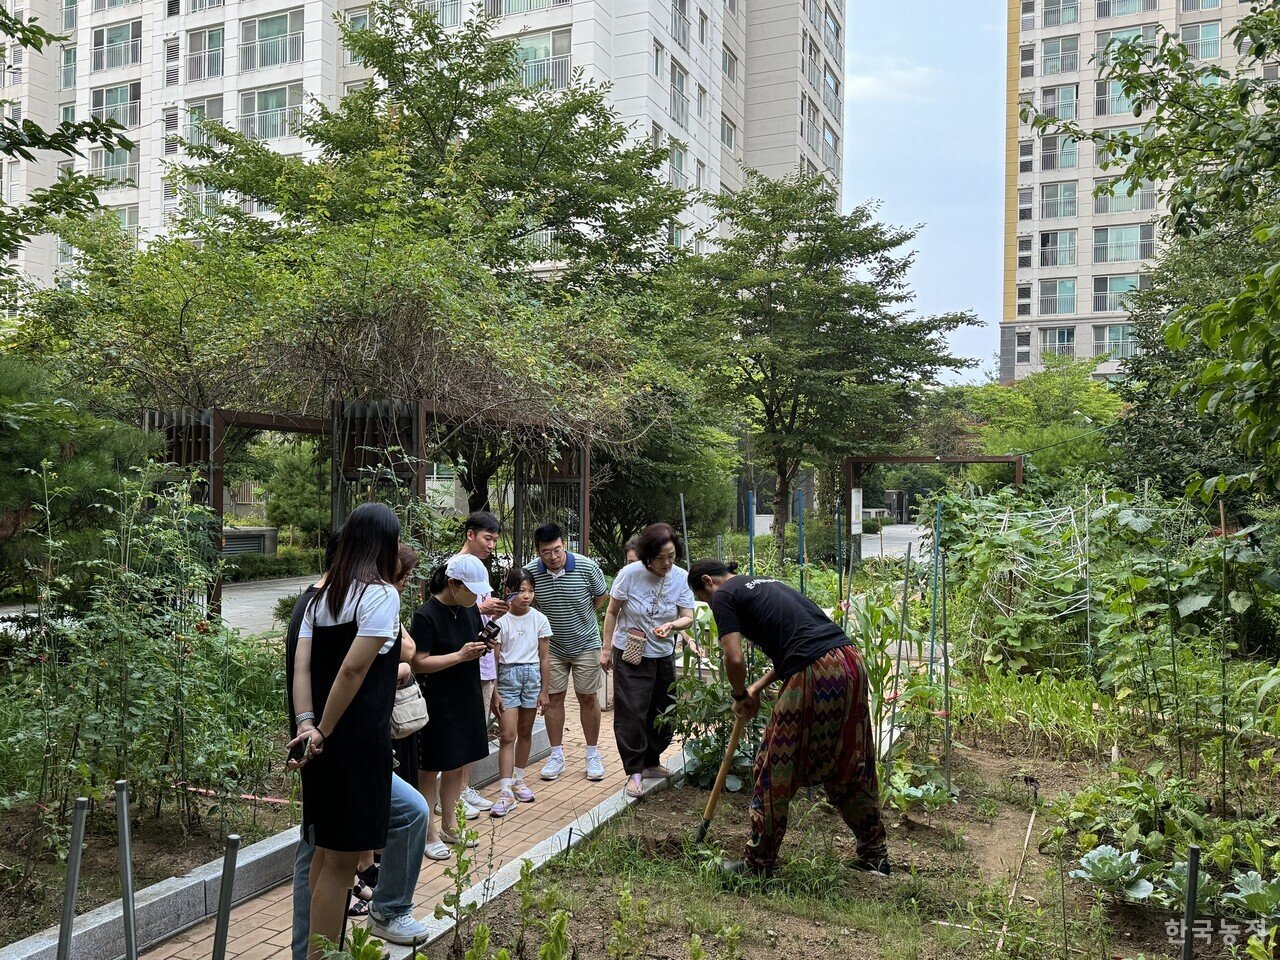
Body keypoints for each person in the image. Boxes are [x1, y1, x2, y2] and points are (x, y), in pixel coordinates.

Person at [686, 559, 890, 878]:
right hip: (850, 664)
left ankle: (759, 864)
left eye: (704, 599)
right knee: (849, 762)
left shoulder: (724, 594)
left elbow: (733, 656)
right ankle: (875, 855)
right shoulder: (768, 583)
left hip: (816, 672)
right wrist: (757, 687)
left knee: (774, 764)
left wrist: (739, 694)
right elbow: (802, 644)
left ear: (708, 582)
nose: (710, 605)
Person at [286, 504, 429, 955]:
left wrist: (308, 725)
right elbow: (352, 671)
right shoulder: (381, 595)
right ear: (384, 543)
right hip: (357, 742)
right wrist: (326, 729)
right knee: (341, 863)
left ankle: (314, 951)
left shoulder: (315, 598)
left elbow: (302, 669)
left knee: (325, 855)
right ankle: (322, 954)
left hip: (321, 743)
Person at [601, 523, 695, 798]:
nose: (666, 563)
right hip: (630, 652)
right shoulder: (629, 575)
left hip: (663, 653)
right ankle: (635, 771)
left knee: (664, 709)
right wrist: (606, 649)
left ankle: (652, 762)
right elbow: (611, 612)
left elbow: (687, 614)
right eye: (660, 557)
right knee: (632, 712)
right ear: (647, 555)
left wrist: (674, 625)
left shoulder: (680, 577)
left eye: (672, 556)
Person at [410, 553, 492, 859]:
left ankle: (450, 824)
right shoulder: (427, 615)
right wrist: (459, 655)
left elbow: (468, 647)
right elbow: (419, 662)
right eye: (470, 589)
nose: (475, 596)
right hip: (438, 700)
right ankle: (428, 832)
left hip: (466, 693)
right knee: (430, 768)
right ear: (452, 583)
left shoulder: (468, 609)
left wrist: (481, 647)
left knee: (458, 762)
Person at [523, 523, 609, 782]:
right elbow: (529, 601)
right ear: (538, 552)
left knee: (588, 697)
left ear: (565, 546)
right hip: (552, 648)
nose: (553, 556)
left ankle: (592, 754)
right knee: (553, 699)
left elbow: (600, 597)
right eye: (546, 552)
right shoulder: (530, 573)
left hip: (586, 643)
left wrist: (581, 618)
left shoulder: (586, 566)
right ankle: (556, 754)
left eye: (558, 550)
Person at [447, 511, 510, 816]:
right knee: (458, 731)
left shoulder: (480, 571)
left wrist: (492, 612)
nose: (491, 545)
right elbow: (450, 612)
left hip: (483, 660)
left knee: (474, 731)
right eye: (488, 538)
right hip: (462, 660)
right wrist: (482, 607)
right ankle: (450, 796)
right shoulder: (454, 568)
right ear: (470, 534)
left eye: (495, 540)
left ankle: (463, 788)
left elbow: (479, 612)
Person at [489, 568, 553, 816]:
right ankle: (505, 791)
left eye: (530, 591)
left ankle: (519, 779)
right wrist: (495, 692)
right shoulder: (500, 621)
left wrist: (544, 691)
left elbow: (545, 657)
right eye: (521, 590)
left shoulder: (539, 619)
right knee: (507, 734)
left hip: (532, 676)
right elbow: (493, 661)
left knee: (525, 730)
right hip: (507, 676)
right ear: (508, 592)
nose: (526, 596)